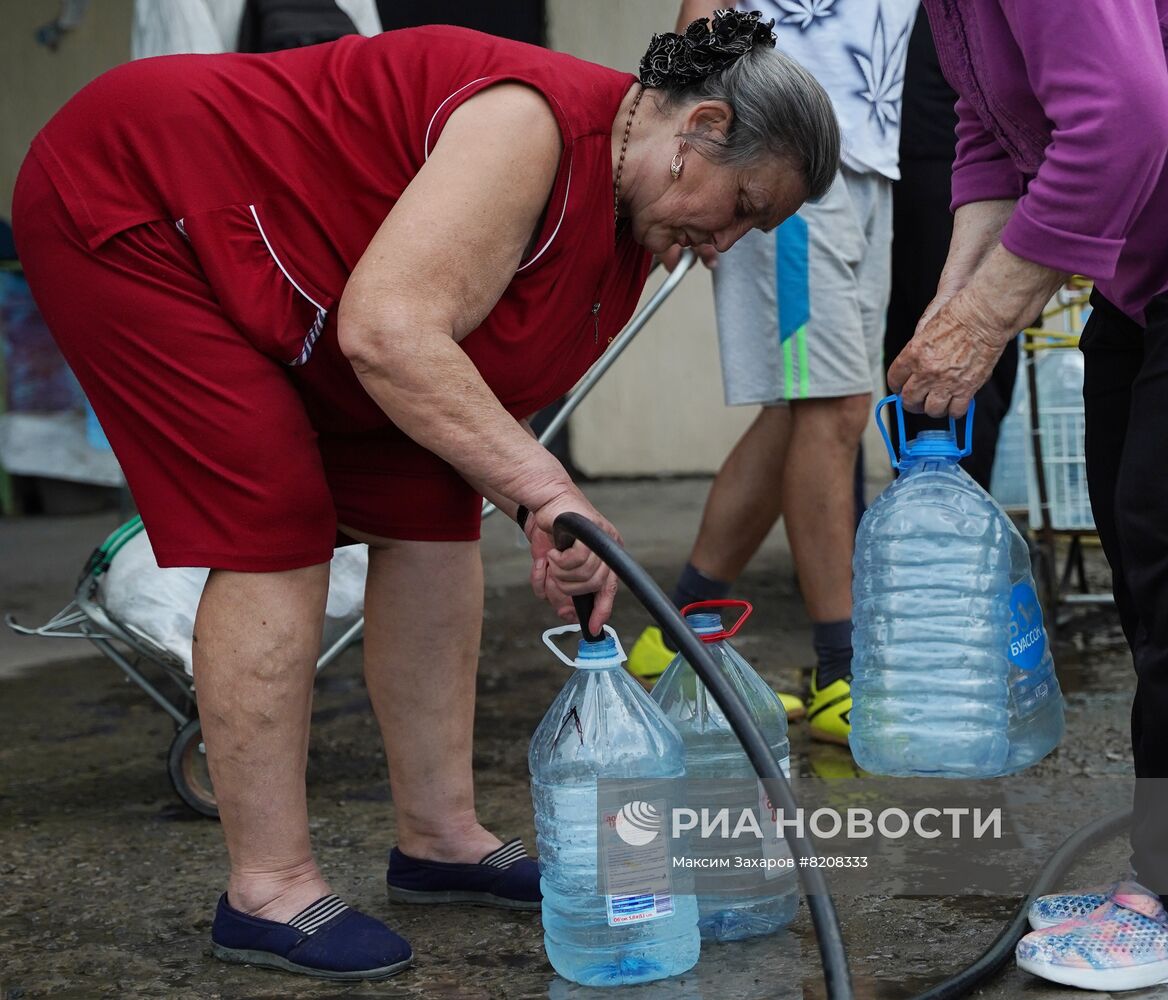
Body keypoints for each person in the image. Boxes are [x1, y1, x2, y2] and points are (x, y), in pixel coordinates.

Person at [11, 14, 839, 980]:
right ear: (698, 125)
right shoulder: (529, 125)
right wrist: (543, 483)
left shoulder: (625, 216)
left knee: (430, 510)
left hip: (297, 275)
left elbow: (462, 379)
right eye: (739, 206)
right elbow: (394, 332)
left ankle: (440, 838)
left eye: (752, 230)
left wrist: (526, 491)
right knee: (277, 523)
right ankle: (267, 889)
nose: (726, 245)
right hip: (142, 205)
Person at [889, 0, 1168, 991]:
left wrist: (988, 317)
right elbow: (992, 127)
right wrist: (955, 298)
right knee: (1134, 506)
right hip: (1166, 241)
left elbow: (1118, 116)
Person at [628, 0, 919, 746]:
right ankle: (837, 670)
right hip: (771, 167)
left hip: (863, 165)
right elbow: (707, 12)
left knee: (802, 411)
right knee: (833, 411)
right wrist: (680, 177)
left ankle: (675, 632)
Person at [882, 4, 1015, 489]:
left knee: (975, 348)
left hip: (960, 145)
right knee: (920, 339)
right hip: (909, 149)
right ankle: (927, 502)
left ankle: (959, 504)